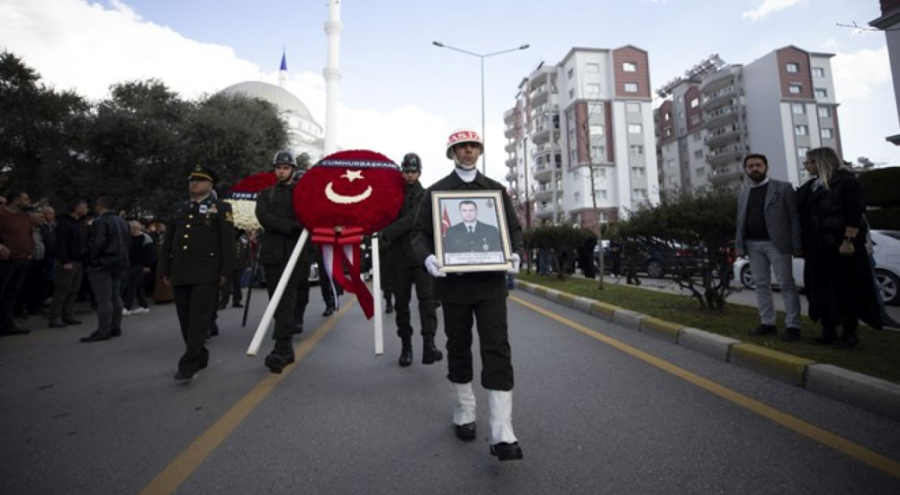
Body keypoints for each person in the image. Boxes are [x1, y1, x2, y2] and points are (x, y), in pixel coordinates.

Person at [413, 128, 524, 462]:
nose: (469, 151)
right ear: (452, 153)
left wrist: (515, 252)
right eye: (462, 147)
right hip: (454, 286)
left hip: (490, 285)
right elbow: (420, 234)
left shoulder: (495, 191)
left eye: (474, 146)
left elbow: (513, 229)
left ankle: (502, 430)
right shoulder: (435, 193)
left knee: (497, 348)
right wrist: (428, 257)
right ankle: (464, 410)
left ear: (480, 151)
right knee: (458, 346)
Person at [797, 147, 882, 348]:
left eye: (808, 162)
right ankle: (828, 330)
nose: (805, 165)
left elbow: (855, 214)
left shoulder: (846, 182)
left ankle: (849, 333)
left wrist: (848, 240)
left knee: (845, 289)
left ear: (820, 162)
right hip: (818, 248)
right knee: (820, 289)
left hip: (840, 247)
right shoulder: (811, 186)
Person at [160, 165, 236, 379]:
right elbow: (169, 242)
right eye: (192, 180)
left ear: (210, 185)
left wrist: (226, 272)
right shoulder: (178, 208)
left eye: (200, 180)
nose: (194, 183)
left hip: (206, 271)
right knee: (185, 318)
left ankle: (189, 363)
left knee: (198, 318)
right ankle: (199, 354)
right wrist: (164, 268)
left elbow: (227, 243)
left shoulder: (221, 208)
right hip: (181, 271)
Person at [380, 152, 443, 367]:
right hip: (398, 258)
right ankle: (406, 346)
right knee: (402, 306)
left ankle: (429, 344)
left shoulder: (426, 195)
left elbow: (412, 220)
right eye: (406, 171)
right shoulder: (392, 195)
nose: (409, 175)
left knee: (427, 303)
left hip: (421, 257)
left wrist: (386, 232)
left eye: (413, 171)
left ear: (419, 172)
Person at [735, 153, 803, 341]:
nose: (754, 169)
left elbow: (794, 217)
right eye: (750, 166)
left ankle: (793, 325)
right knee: (761, 285)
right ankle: (768, 323)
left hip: (777, 244)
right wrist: (739, 245)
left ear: (766, 167)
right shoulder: (743, 194)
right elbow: (739, 221)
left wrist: (796, 243)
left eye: (758, 165)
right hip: (752, 245)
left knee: (786, 284)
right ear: (746, 170)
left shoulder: (783, 188)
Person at [255, 150, 310, 373]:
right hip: (272, 254)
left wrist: (298, 224)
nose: (281, 171)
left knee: (286, 300)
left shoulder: (302, 194)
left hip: (294, 254)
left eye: (286, 168)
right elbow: (264, 217)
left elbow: (308, 216)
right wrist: (291, 226)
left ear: (293, 170)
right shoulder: (266, 194)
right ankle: (286, 347)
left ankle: (280, 349)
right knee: (275, 302)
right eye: (278, 167)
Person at [80, 196, 130, 343]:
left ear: (100, 206)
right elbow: (127, 243)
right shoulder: (122, 222)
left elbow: (97, 243)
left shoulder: (101, 221)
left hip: (103, 263)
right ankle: (115, 327)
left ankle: (104, 330)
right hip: (119, 262)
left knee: (104, 299)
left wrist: (93, 261)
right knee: (115, 295)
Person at [48, 199, 89, 328]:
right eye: (84, 207)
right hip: (67, 262)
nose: (87, 209)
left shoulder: (79, 224)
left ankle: (68, 315)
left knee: (74, 290)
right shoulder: (65, 224)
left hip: (77, 262)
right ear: (76, 208)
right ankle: (55, 317)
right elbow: (60, 244)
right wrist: (65, 261)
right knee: (62, 290)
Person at [0, 191, 35, 336]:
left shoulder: (25, 216)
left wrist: (31, 249)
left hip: (22, 259)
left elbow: (29, 234)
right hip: (6, 260)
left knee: (12, 293)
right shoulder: (2, 214)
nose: (28, 201)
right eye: (25, 199)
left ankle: (7, 324)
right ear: (15, 200)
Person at [122, 220, 156, 315]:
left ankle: (127, 307)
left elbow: (152, 253)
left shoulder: (145, 237)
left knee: (131, 285)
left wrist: (148, 265)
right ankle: (144, 306)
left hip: (140, 264)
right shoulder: (130, 238)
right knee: (138, 286)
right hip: (131, 264)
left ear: (135, 228)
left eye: (129, 228)